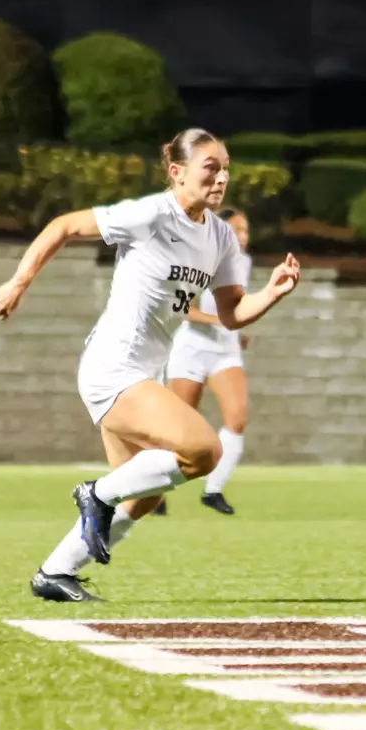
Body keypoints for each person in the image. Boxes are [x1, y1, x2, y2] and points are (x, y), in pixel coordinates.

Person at [0, 129, 300, 602]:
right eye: (210, 167)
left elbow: (232, 313)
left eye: (226, 167)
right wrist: (18, 281)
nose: (221, 178)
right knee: (204, 451)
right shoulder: (152, 213)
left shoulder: (220, 237)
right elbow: (64, 226)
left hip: (142, 375)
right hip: (112, 366)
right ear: (176, 173)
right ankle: (95, 494)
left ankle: (54, 573)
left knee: (146, 496)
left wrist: (272, 293)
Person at [158, 202, 252, 516]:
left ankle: (213, 490)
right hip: (192, 349)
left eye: (246, 230)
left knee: (237, 419)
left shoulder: (244, 263)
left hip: (226, 352)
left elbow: (233, 305)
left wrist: (238, 329)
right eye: (237, 229)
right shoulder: (197, 260)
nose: (243, 236)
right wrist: (219, 322)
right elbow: (182, 307)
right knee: (177, 427)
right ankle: (153, 490)